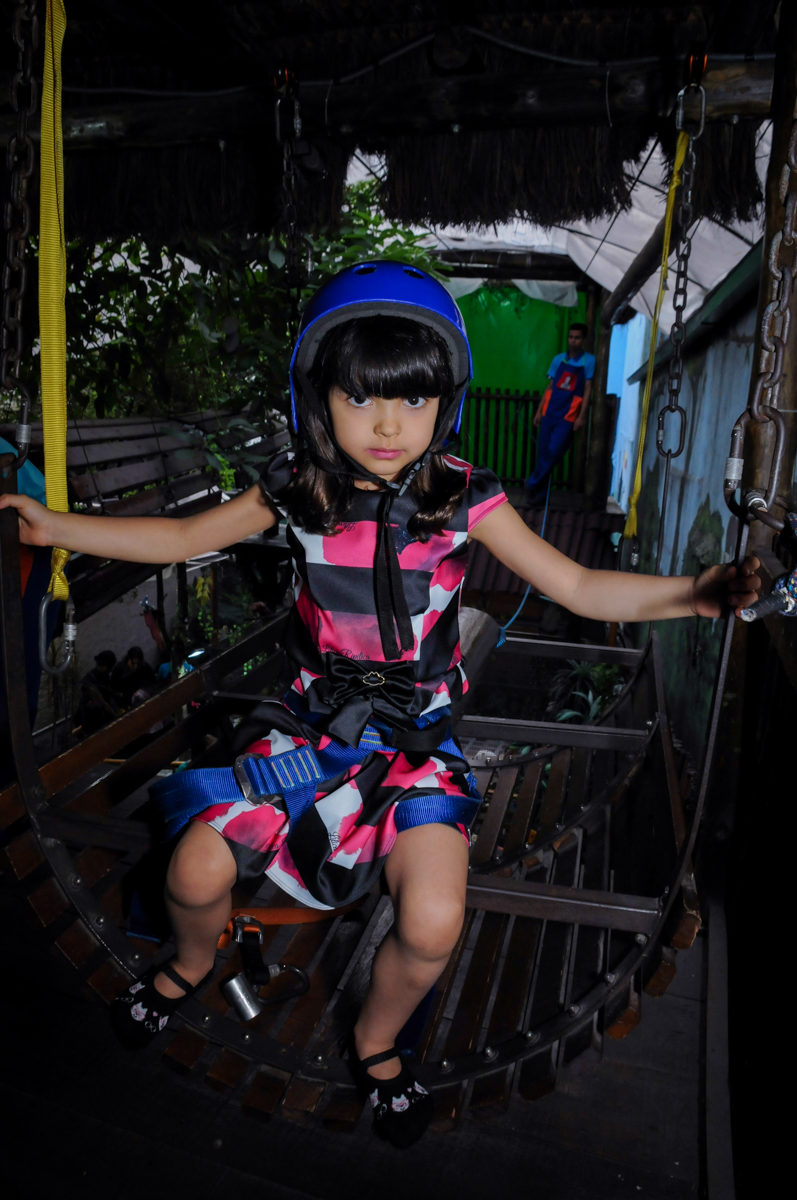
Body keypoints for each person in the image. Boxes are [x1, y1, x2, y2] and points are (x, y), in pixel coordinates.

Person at [0, 262, 760, 1149]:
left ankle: (374, 1040)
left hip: (413, 750)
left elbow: (582, 586)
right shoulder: (297, 491)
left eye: (413, 399)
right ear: (317, 399)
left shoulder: (464, 499)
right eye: (360, 399)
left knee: (433, 920)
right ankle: (191, 963)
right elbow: (179, 536)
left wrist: (696, 593)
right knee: (194, 872)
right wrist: (55, 527)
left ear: (446, 402)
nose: (389, 425)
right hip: (306, 732)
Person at [525, 321, 596, 505]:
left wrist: (581, 416)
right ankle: (539, 496)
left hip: (569, 413)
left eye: (577, 338)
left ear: (583, 339)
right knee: (543, 453)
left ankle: (532, 483)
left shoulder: (589, 361)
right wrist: (539, 411)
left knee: (555, 451)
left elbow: (588, 389)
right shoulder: (558, 359)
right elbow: (549, 386)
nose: (573, 340)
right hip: (549, 411)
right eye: (571, 337)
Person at [76, 649, 118, 736]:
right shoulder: (90, 681)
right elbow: (102, 704)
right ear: (105, 667)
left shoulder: (104, 677)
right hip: (94, 722)